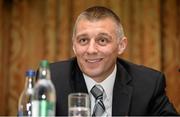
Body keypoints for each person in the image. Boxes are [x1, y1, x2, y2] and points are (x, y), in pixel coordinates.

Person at [50, 6, 178, 116]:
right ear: (74, 45)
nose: (91, 50)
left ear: (121, 45)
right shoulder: (52, 81)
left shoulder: (148, 85)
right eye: (83, 40)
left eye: (102, 40)